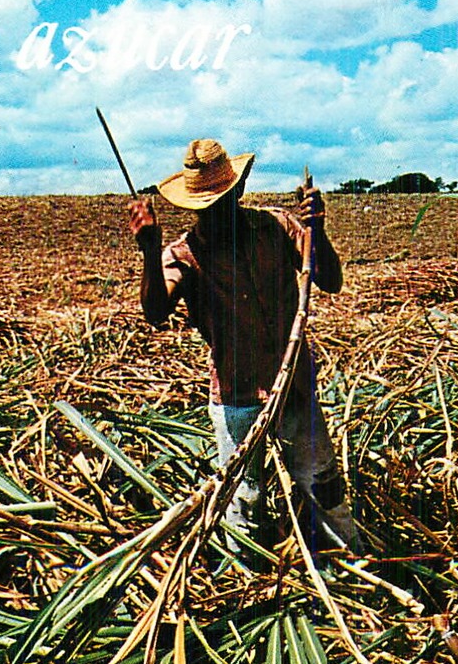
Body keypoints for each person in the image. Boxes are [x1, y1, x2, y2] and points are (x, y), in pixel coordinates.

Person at [126, 138, 358, 559]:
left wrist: (317, 232)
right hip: (236, 396)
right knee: (244, 503)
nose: (215, 213)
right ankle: (250, 582)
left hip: (293, 389)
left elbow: (329, 279)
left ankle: (348, 567)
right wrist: (148, 252)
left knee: (324, 487)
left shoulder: (277, 227)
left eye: (223, 201)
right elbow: (156, 312)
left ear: (239, 193)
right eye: (205, 206)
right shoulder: (183, 254)